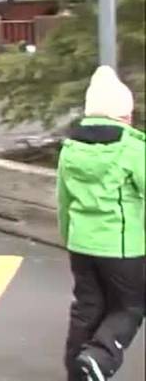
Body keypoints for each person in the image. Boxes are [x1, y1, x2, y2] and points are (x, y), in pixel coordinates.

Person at [57, 65, 145, 381]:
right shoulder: (133, 149)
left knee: (87, 308)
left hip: (81, 246)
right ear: (122, 115)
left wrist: (68, 237)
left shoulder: (70, 148)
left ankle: (77, 372)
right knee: (130, 307)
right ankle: (100, 357)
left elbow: (63, 200)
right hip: (122, 247)